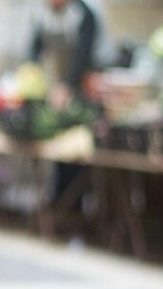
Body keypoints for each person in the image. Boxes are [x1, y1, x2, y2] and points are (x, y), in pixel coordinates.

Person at [30, 0, 103, 208]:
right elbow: (34, 49)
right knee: (58, 150)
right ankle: (59, 201)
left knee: (76, 154)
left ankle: (75, 206)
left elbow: (83, 55)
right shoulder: (43, 15)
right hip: (54, 91)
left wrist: (67, 86)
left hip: (80, 94)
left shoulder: (84, 16)